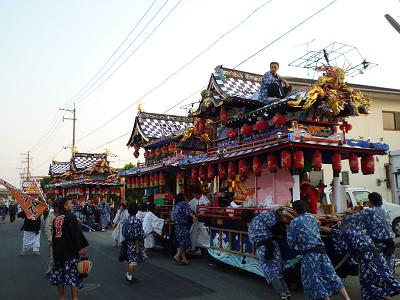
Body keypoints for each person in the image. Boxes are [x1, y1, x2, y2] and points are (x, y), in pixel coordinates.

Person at [287, 200, 350, 300]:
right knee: (331, 275)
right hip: (322, 251)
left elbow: (291, 243)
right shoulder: (312, 218)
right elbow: (318, 223)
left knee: (315, 280)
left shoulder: (294, 222)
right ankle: (347, 299)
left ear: (294, 211)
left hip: (309, 254)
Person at [320, 225, 400, 300]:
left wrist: (319, 226)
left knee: (380, 278)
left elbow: (331, 231)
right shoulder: (359, 232)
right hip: (376, 255)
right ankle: (385, 296)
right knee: (374, 280)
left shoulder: (347, 232)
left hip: (367, 257)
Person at [242, 210, 290, 300]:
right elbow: (272, 219)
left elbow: (252, 241)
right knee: (278, 269)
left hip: (262, 249)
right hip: (273, 245)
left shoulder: (250, 227)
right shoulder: (260, 218)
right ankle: (286, 292)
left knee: (270, 270)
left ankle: (282, 293)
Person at [342, 192, 395, 272]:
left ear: (371, 201)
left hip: (378, 246)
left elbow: (349, 220)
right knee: (388, 272)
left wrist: (346, 216)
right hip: (390, 244)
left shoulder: (370, 211)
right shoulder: (384, 210)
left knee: (378, 271)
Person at [49, 198, 89, 300]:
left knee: (59, 276)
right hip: (69, 252)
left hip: (58, 252)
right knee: (73, 276)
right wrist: (81, 247)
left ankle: (61, 297)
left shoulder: (57, 218)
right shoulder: (71, 216)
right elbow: (75, 233)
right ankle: (74, 298)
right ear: (65, 206)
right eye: (70, 203)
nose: (73, 204)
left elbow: (55, 235)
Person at [122, 203, 145, 283]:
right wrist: (142, 239)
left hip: (127, 241)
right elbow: (139, 234)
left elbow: (123, 231)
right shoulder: (136, 221)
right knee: (132, 260)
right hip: (134, 242)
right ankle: (129, 276)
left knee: (130, 259)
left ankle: (129, 276)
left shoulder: (126, 220)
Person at [173, 193, 193, 265]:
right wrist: (194, 216)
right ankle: (177, 256)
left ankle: (184, 259)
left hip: (176, 225)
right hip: (182, 224)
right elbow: (188, 212)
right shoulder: (184, 203)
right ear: (183, 197)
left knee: (180, 241)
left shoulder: (175, 205)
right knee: (185, 241)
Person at [45, 200, 59, 276]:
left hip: (64, 238)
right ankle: (50, 270)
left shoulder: (64, 214)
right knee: (52, 255)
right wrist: (50, 239)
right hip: (54, 238)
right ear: (55, 208)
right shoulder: (51, 216)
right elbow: (47, 228)